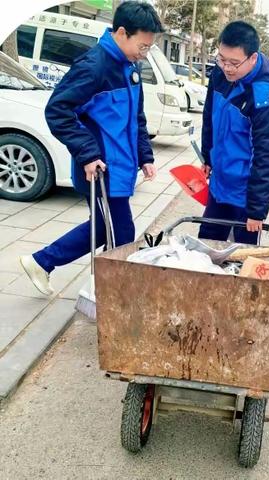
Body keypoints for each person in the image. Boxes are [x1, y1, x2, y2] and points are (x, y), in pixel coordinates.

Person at [20, 1, 163, 295]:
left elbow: (136, 116)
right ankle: (117, 296)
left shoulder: (130, 67)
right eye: (143, 45)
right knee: (121, 234)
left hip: (120, 168)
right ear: (122, 33)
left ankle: (42, 262)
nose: (144, 53)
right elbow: (58, 110)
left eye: (149, 47)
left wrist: (145, 155)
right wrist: (88, 153)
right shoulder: (94, 66)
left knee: (105, 228)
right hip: (100, 170)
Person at [198, 20, 269, 244]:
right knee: (205, 247)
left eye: (234, 63)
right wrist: (207, 156)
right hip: (219, 182)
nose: (227, 67)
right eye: (222, 58)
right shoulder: (221, 74)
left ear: (253, 58)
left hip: (245, 194)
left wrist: (257, 210)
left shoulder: (267, 97)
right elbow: (210, 115)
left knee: (241, 259)